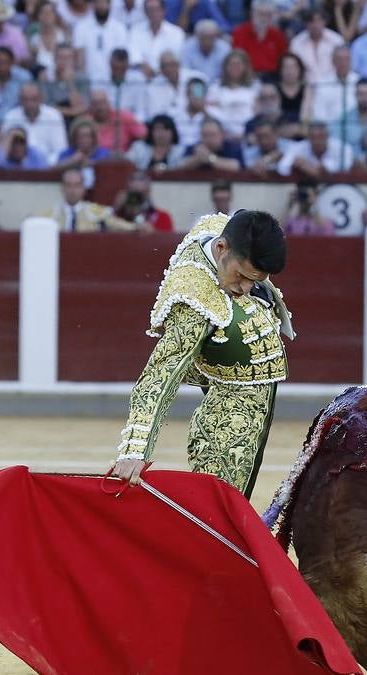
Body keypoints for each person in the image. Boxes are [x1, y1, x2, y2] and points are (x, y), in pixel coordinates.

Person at [108, 210, 292, 498]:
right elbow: (160, 374)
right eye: (242, 276)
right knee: (221, 506)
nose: (245, 289)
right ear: (221, 249)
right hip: (228, 410)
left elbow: (242, 221)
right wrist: (135, 449)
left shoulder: (219, 232)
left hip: (249, 398)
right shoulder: (194, 300)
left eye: (254, 281)